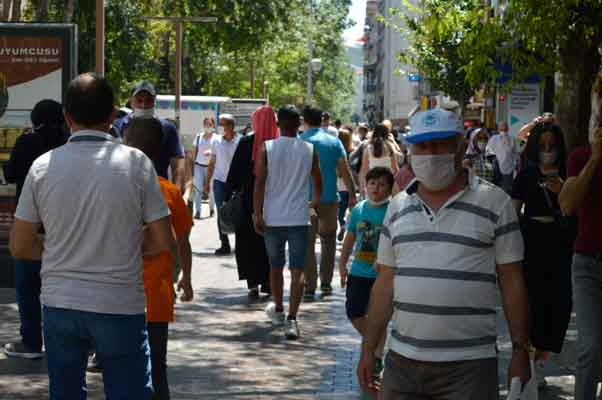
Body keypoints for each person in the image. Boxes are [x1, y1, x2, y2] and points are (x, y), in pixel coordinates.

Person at [9, 73, 173, 399]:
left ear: (67, 117)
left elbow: (20, 245)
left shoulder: (42, 167)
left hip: (60, 304)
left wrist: (58, 246)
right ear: (113, 115)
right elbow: (161, 241)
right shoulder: (137, 164)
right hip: (119, 304)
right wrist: (123, 243)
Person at [357, 108, 530, 399]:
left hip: (470, 367)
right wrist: (368, 348)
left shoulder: (495, 203)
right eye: (422, 146)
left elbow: (512, 281)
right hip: (401, 364)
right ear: (409, 151)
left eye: (440, 144)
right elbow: (385, 283)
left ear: (461, 146)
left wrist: (520, 350)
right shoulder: (397, 207)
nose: (430, 153)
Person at [123, 118, 194, 400]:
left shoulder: (114, 186)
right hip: (156, 296)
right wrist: (187, 279)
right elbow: (184, 242)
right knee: (157, 368)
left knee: (122, 369)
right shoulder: (169, 191)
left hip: (116, 295)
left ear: (126, 142)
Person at [2, 99, 69, 359]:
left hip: (31, 227)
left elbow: (10, 173)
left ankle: (31, 342)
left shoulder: (27, 142)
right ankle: (69, 340)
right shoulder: (68, 142)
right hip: (64, 226)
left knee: (28, 287)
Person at [511, 123, 573, 388]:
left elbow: (578, 209)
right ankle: (533, 366)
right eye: (543, 145)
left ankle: (541, 359)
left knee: (558, 306)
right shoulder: (525, 176)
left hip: (561, 245)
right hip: (532, 244)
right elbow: (513, 213)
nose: (548, 151)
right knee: (533, 304)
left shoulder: (570, 174)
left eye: (553, 145)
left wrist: (563, 192)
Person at [253, 105, 322, 339]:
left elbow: (259, 183)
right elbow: (318, 183)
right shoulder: (309, 149)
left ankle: (279, 309)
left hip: (273, 218)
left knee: (275, 266)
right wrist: (312, 205)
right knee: (297, 270)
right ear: (298, 124)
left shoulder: (267, 148)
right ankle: (293, 319)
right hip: (299, 218)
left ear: (278, 124)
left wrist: (257, 213)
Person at [559, 122, 602, 400]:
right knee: (592, 346)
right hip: (588, 262)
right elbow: (568, 204)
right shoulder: (581, 157)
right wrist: (596, 158)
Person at [339, 167, 394, 381]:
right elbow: (350, 238)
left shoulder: (393, 210)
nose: (376, 189)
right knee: (354, 312)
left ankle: (377, 355)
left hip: (382, 275)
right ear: (366, 185)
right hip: (358, 272)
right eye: (372, 183)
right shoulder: (359, 209)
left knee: (376, 316)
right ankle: (378, 342)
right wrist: (342, 264)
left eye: (381, 185)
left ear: (389, 189)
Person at [301, 106, 357, 300]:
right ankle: (325, 284)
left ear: (304, 120)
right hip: (330, 199)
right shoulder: (334, 142)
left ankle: (309, 285)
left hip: (305, 202)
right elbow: (345, 169)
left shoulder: (300, 141)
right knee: (328, 241)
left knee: (307, 244)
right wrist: (352, 194)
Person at [225, 106, 275, 298]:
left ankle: (252, 283)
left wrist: (229, 192)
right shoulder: (277, 143)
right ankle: (268, 281)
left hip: (247, 202)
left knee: (247, 242)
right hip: (272, 201)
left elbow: (234, 173)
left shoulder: (246, 142)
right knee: (269, 242)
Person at [112, 80, 186, 193]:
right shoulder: (117, 126)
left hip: (158, 191)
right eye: (139, 100)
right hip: (125, 191)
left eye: (148, 100)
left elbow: (177, 164)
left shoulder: (168, 128)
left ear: (155, 101)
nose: (144, 105)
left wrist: (176, 193)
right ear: (131, 101)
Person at [205, 114, 240, 255]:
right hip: (219, 182)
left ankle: (240, 245)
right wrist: (207, 182)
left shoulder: (241, 141)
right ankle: (224, 244)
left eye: (223, 125)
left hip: (236, 182)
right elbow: (212, 162)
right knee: (221, 213)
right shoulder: (217, 141)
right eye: (221, 125)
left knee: (238, 213)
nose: (221, 128)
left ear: (231, 126)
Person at [359, 123, 399, 197]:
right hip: (387, 184)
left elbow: (364, 170)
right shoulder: (390, 147)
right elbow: (395, 169)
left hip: (372, 185)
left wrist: (362, 187)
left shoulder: (368, 148)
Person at [193, 117, 217, 219]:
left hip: (211, 167)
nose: (208, 126)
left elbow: (219, 152)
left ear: (213, 125)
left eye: (210, 124)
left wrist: (211, 153)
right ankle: (198, 211)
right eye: (206, 124)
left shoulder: (216, 138)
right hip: (198, 165)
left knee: (211, 189)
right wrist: (192, 165)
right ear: (203, 125)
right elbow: (194, 151)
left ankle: (211, 209)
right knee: (198, 189)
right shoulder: (199, 136)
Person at [486, 121, 519, 193]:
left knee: (506, 190)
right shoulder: (493, 138)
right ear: (498, 130)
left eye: (505, 130)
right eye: (501, 130)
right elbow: (488, 152)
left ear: (508, 129)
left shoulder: (512, 139)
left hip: (508, 168)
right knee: (496, 188)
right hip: (496, 167)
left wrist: (516, 163)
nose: (503, 132)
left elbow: (515, 153)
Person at [337, 128, 354, 241]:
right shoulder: (353, 153)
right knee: (351, 211)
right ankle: (349, 229)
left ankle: (343, 225)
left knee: (340, 212)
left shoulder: (338, 153)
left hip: (340, 187)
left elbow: (338, 174)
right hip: (351, 187)